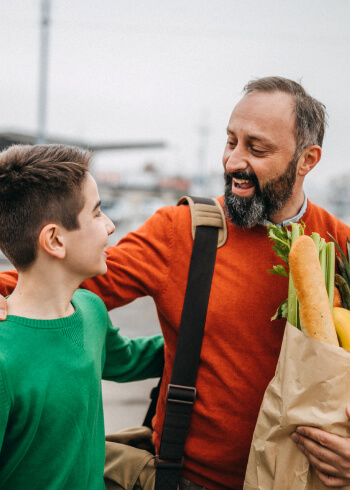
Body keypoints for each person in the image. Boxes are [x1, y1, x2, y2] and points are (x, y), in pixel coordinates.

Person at [0, 77, 350, 489]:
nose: (234, 161)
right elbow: (52, 277)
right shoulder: (183, 230)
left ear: (307, 159)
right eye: (231, 141)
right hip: (190, 481)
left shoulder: (339, 247)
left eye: (256, 149)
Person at [0, 144, 164, 489]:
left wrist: (211, 338)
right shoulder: (4, 360)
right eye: (97, 212)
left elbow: (130, 359)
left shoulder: (91, 310)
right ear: (55, 241)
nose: (110, 225)